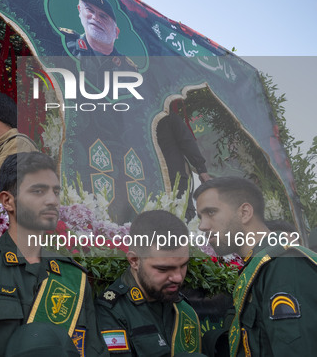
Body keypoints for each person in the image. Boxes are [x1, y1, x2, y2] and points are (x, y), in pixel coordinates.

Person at [0, 152, 107, 357]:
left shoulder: (74, 277)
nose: (52, 200)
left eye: (56, 191)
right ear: (7, 201)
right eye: (38, 191)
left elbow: (93, 351)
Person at [194, 177, 317, 356]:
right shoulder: (259, 266)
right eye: (200, 217)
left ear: (244, 212)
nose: (202, 226)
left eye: (211, 212)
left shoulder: (283, 264)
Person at [96, 210, 205, 356]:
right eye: (163, 269)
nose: (178, 277)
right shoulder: (111, 312)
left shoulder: (182, 308)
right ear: (134, 261)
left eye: (183, 265)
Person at [61, 0, 136, 71]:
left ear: (116, 32)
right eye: (90, 10)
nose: (95, 18)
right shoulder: (65, 43)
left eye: (103, 16)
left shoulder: (127, 68)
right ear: (80, 10)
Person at [156, 112, 212, 221]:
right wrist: (202, 170)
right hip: (175, 177)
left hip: (150, 180)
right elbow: (187, 142)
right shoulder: (168, 118)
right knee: (182, 215)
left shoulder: (134, 121)